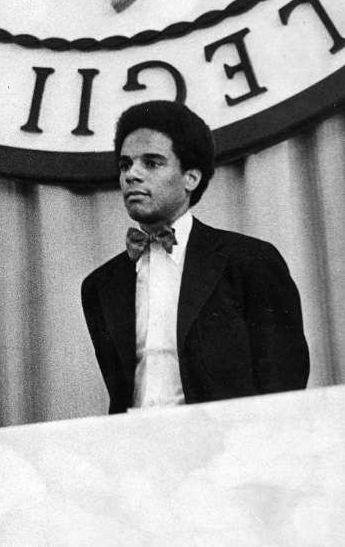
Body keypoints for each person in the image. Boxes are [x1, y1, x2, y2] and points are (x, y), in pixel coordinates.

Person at [81, 101, 309, 414]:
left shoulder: (250, 261)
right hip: (138, 451)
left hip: (226, 451)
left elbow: (285, 381)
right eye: (125, 164)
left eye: (152, 163)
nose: (131, 175)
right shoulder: (100, 285)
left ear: (191, 178)